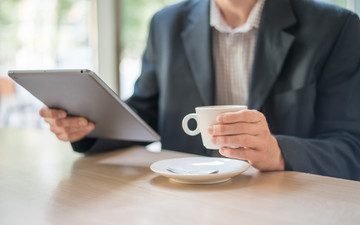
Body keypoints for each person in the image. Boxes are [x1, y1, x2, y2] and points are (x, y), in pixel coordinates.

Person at [39, 0, 360, 181]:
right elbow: (144, 114)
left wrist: (278, 152)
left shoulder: (336, 27)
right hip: (184, 203)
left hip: (286, 209)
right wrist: (86, 123)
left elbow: (351, 149)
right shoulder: (166, 24)